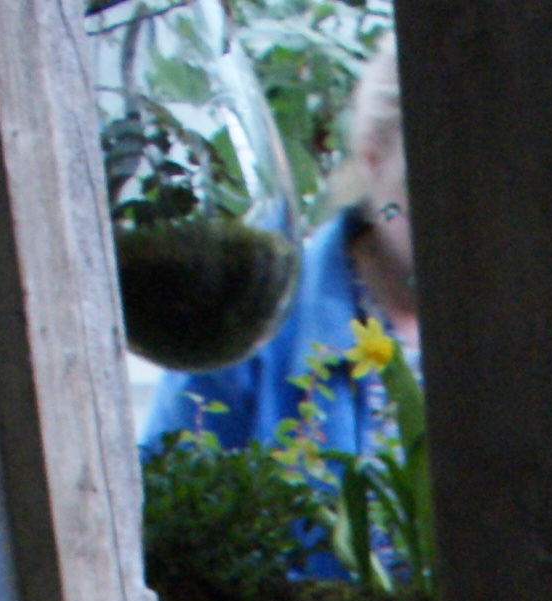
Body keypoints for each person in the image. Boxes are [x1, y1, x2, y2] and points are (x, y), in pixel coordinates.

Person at [141, 44, 416, 469]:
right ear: (372, 157)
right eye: (427, 187)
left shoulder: (528, 334)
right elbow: (167, 516)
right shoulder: (245, 326)